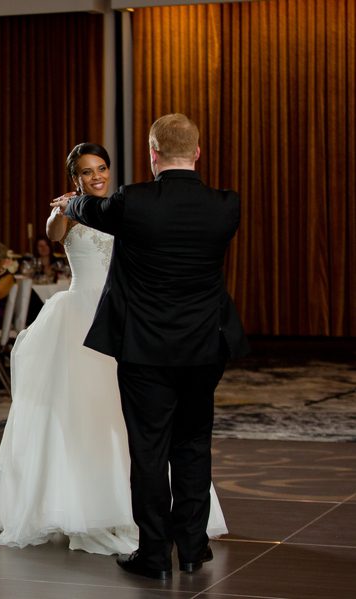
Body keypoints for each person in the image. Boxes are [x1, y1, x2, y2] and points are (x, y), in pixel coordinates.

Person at [0, 141, 229, 565]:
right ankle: (87, 506)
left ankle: (139, 515)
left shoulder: (125, 205)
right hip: (80, 320)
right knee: (84, 417)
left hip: (126, 319)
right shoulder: (69, 211)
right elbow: (54, 234)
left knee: (129, 422)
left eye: (101, 168)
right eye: (86, 171)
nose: (96, 176)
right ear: (74, 177)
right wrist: (66, 208)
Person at [53, 118, 249, 580]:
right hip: (204, 346)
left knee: (148, 452)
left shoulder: (133, 201)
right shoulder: (227, 205)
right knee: (194, 446)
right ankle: (194, 548)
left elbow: (87, 209)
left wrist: (71, 200)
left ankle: (155, 554)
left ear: (152, 154)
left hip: (144, 349)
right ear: (198, 153)